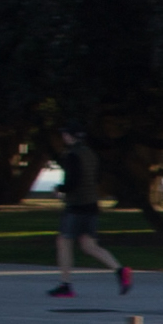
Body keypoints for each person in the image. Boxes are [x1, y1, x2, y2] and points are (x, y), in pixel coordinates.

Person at [47, 126, 131, 298]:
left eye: (64, 134)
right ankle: (120, 270)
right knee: (89, 245)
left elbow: (72, 182)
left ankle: (65, 284)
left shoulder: (72, 155)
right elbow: (97, 177)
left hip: (76, 206)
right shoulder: (91, 154)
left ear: (68, 136)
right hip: (92, 204)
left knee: (64, 242)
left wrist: (59, 189)